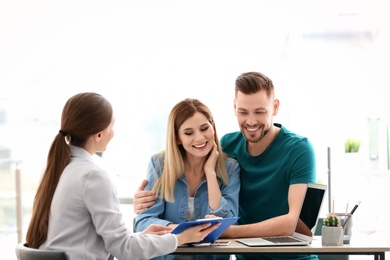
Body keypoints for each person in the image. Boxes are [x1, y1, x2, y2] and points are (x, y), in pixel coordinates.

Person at [133, 72, 317, 260]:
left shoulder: (299, 149)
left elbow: (296, 222)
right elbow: (145, 219)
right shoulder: (228, 146)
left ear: (275, 107)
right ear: (234, 107)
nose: (251, 121)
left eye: (260, 112)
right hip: (247, 257)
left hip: (293, 258)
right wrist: (143, 202)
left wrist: (226, 231)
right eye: (243, 112)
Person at [25, 92, 221, 260]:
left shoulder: (58, 168)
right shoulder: (92, 176)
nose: (113, 133)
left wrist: (144, 236)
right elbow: (124, 250)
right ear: (99, 135)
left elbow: (112, 242)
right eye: (112, 125)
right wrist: (181, 238)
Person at [134, 98, 240, 260]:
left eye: (204, 128)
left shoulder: (230, 168)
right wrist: (182, 231)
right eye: (189, 133)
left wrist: (210, 173)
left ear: (213, 128)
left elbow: (228, 225)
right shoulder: (160, 165)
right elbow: (143, 222)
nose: (199, 138)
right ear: (177, 138)